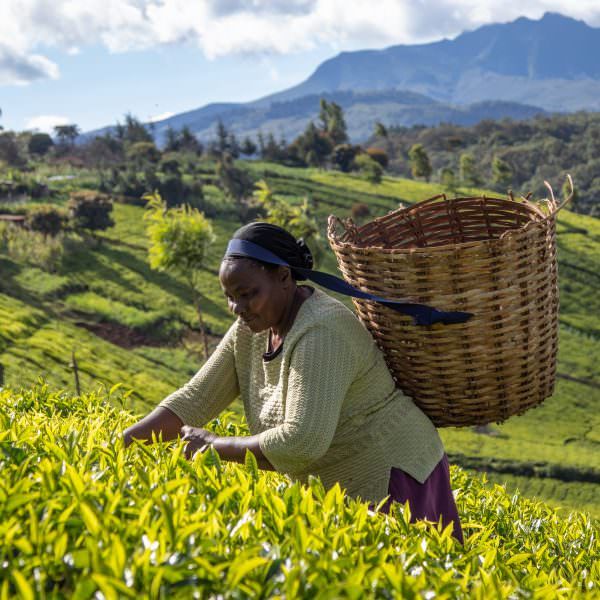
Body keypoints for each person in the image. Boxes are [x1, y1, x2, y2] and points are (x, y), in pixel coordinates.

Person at [123, 222, 464, 544]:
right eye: (229, 296)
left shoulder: (321, 332)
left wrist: (213, 445)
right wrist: (122, 445)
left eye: (246, 294)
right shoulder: (253, 327)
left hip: (390, 475)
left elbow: (302, 442)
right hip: (335, 485)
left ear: (284, 278)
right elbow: (194, 401)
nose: (236, 307)